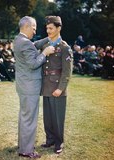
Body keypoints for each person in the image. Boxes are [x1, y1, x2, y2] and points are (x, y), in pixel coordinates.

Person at [14, 16, 55, 159]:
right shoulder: (24, 43)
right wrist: (45, 52)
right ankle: (26, 150)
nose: (35, 30)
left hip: (24, 85)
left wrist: (47, 40)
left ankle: (22, 144)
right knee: (29, 118)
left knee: (24, 116)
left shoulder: (19, 39)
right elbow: (33, 64)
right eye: (34, 28)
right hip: (29, 86)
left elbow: (33, 45)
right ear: (26, 26)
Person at [39, 16, 73, 154]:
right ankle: (50, 139)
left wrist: (60, 88)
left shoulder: (65, 48)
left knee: (58, 118)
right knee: (48, 117)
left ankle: (59, 142)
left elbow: (67, 71)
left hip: (57, 87)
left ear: (58, 28)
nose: (48, 30)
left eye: (51, 28)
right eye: (47, 28)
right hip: (46, 86)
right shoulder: (45, 46)